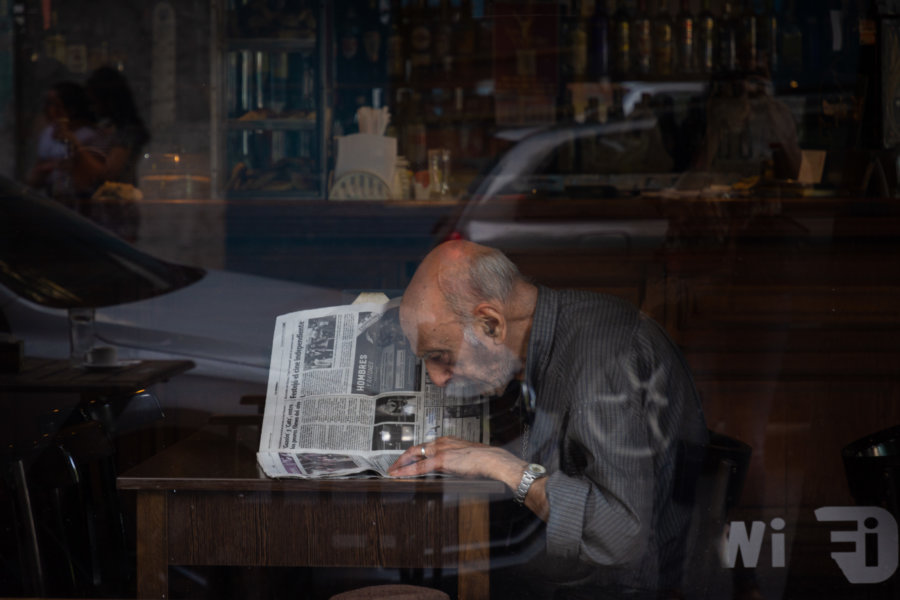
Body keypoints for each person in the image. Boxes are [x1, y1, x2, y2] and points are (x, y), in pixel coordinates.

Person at [388, 240, 708, 598]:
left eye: (441, 355)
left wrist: (506, 468)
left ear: (491, 324)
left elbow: (620, 537)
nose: (437, 378)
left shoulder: (600, 365)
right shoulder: (553, 337)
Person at [27, 81, 107, 208]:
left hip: (82, 203)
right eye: (47, 103)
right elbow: (36, 176)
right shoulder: (48, 134)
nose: (47, 109)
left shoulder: (89, 135)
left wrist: (74, 144)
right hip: (53, 200)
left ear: (70, 109)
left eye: (53, 104)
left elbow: (95, 175)